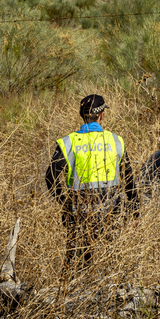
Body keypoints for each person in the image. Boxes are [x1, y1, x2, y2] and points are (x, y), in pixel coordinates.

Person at [45, 93, 138, 267]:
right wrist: (135, 212)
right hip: (111, 214)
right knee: (110, 263)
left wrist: (65, 203)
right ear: (101, 115)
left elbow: (50, 177)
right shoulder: (116, 141)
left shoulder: (69, 142)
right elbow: (129, 180)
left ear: (82, 114)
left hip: (79, 214)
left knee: (77, 265)